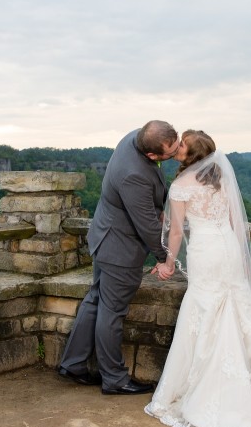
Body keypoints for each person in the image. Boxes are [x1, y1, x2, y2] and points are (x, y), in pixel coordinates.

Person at [145, 130, 251, 427]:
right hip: (228, 249)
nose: (178, 147)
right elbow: (235, 223)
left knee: (206, 310)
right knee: (229, 308)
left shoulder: (180, 186)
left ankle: (206, 397)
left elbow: (176, 232)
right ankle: (242, 399)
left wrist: (167, 263)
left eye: (183, 145)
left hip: (205, 251)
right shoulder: (221, 180)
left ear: (190, 156)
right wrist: (243, 265)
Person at [57, 120, 180, 395]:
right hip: (119, 248)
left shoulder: (136, 137)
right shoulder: (133, 175)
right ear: (151, 155)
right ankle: (114, 378)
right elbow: (147, 224)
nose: (174, 155)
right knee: (112, 312)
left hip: (105, 237)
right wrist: (163, 257)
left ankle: (73, 363)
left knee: (96, 300)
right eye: (170, 154)